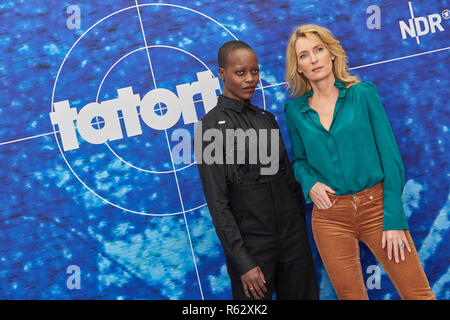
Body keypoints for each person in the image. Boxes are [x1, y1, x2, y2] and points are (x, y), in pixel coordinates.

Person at [284, 24, 436, 300]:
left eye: (318, 49)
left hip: (377, 208)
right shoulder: (295, 110)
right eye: (304, 55)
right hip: (330, 218)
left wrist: (393, 219)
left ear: (332, 54)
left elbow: (391, 160)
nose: (314, 58)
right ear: (299, 68)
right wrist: (310, 183)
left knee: (418, 294)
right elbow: (300, 162)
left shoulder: (363, 94)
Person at [194, 40, 318, 300]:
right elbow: (218, 204)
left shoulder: (266, 119)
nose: (250, 79)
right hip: (252, 250)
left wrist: (298, 235)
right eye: (240, 72)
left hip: (294, 243)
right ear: (222, 74)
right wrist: (243, 262)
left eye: (255, 71)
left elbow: (288, 183)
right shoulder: (210, 129)